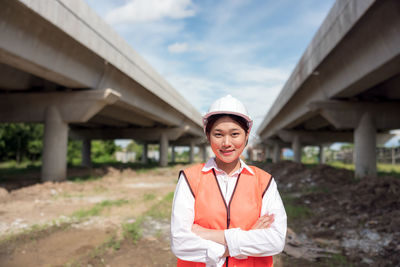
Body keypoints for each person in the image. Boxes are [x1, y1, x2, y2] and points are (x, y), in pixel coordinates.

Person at [171, 95, 287, 267]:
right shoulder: (190, 179)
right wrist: (244, 240)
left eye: (235, 134)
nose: (226, 143)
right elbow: (181, 243)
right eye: (218, 134)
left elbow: (275, 241)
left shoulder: (264, 182)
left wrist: (211, 235)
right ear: (208, 135)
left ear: (246, 135)